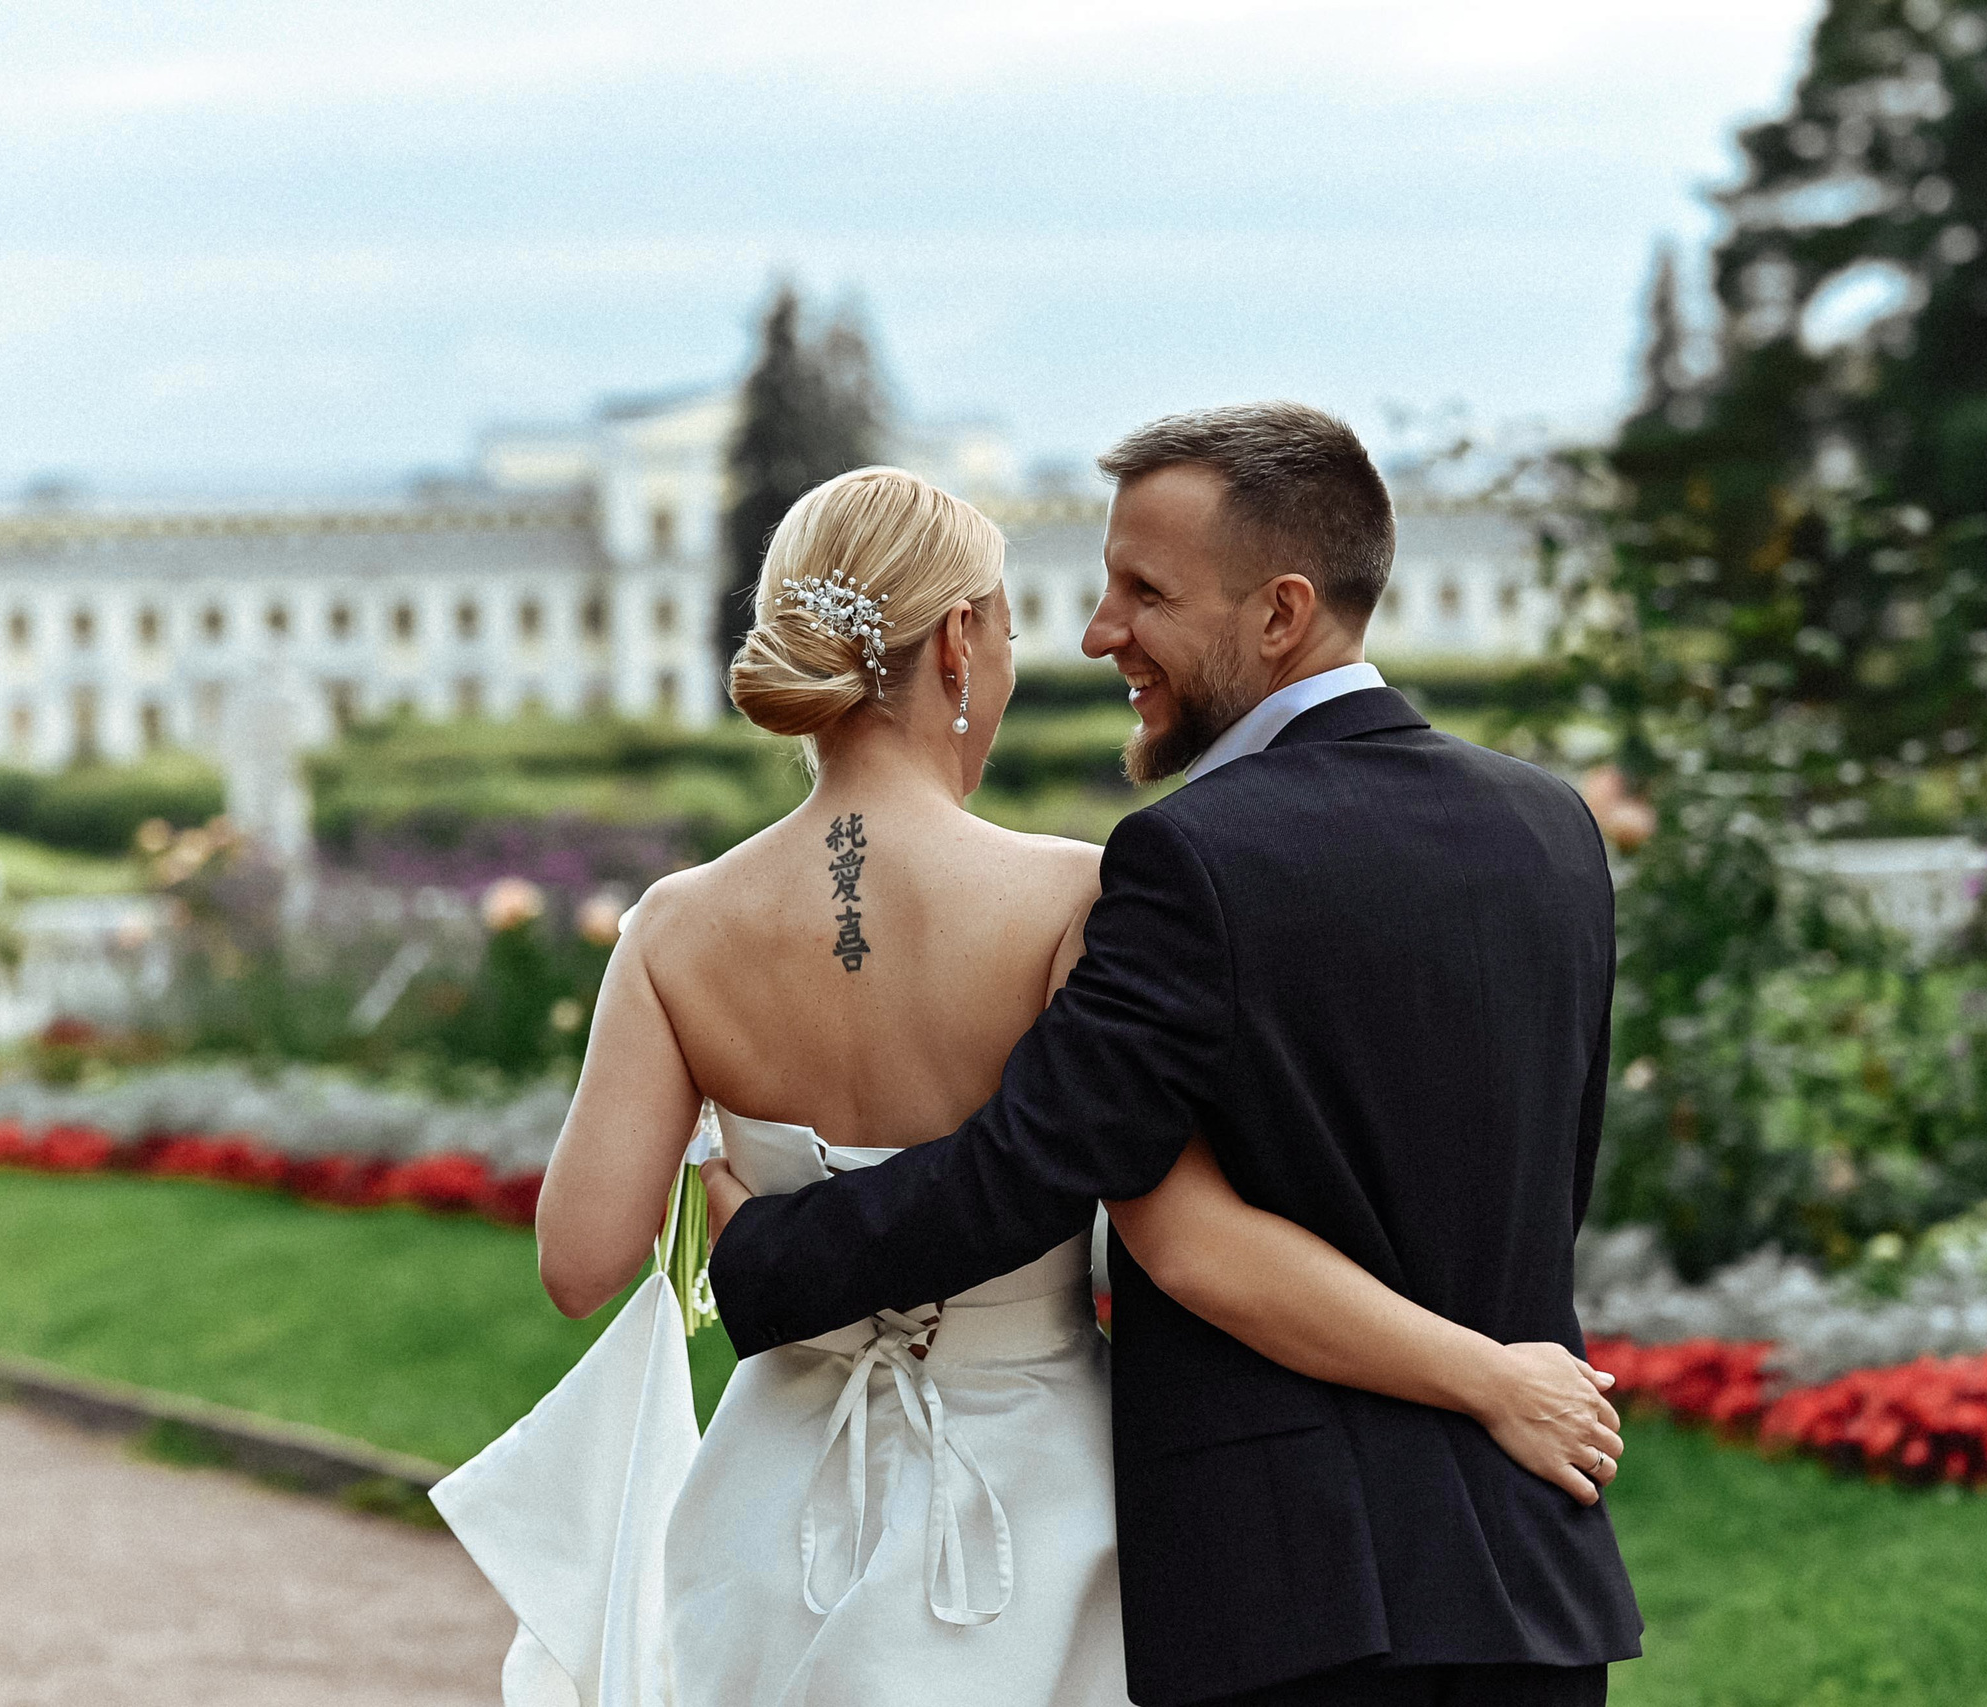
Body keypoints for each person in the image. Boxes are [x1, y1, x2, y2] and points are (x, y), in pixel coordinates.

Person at [435, 459, 1626, 1707]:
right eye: (1005, 624)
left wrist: (733, 1204)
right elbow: (1160, 1220)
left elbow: (578, 1262)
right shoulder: (1071, 895)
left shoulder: (675, 929)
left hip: (774, 1501)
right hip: (1032, 1499)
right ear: (958, 642)